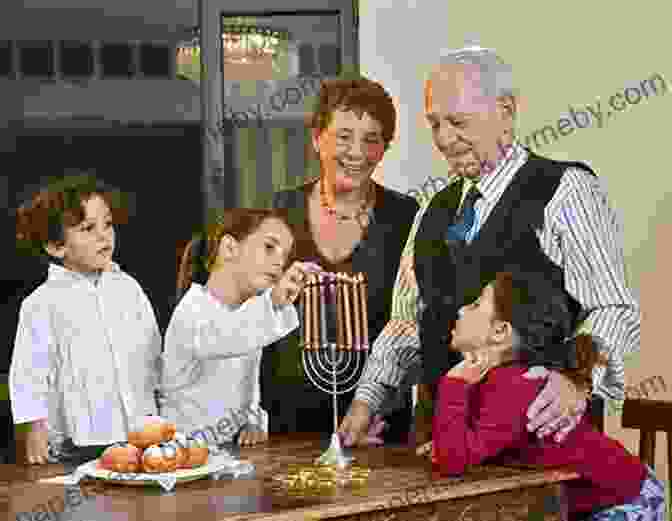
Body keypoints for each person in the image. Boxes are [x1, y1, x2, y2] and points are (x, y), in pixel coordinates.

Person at [339, 43, 641, 449]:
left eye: (458, 121)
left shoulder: (566, 191)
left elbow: (612, 308)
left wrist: (576, 379)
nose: (444, 139)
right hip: (443, 451)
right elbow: (406, 324)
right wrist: (366, 403)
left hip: (542, 459)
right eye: (434, 124)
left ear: (506, 110)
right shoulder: (431, 210)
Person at [425, 271, 665, 521]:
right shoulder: (495, 379)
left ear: (500, 332)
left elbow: (453, 462)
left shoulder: (513, 385)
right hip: (606, 493)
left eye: (474, 305)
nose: (462, 309)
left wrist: (453, 383)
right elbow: (478, 442)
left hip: (629, 497)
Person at [261, 77, 420, 442]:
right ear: (318, 138)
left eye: (372, 139)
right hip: (286, 423)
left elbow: (412, 323)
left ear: (384, 148)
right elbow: (251, 310)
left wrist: (382, 403)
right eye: (344, 136)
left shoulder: (405, 216)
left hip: (374, 425)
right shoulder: (279, 211)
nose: (357, 152)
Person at [9, 173, 162, 465]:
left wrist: (163, 403)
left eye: (107, 224)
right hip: (77, 439)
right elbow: (29, 371)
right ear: (56, 246)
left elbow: (152, 352)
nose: (104, 235)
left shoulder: (129, 288)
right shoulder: (42, 303)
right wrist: (35, 425)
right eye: (88, 228)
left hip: (136, 431)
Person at [159, 209, 321, 447]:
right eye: (269, 247)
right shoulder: (191, 312)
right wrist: (274, 301)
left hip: (231, 459)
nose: (279, 261)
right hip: (183, 460)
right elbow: (226, 337)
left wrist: (253, 422)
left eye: (284, 255)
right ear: (230, 248)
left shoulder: (248, 315)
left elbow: (248, 386)